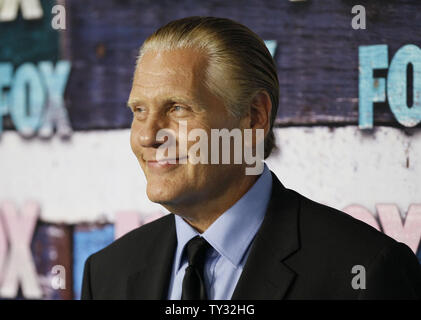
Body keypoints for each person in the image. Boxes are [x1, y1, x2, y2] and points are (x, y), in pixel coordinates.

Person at [81, 16, 421, 300]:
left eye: (177, 108)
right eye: (139, 111)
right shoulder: (107, 273)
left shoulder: (365, 269)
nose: (147, 135)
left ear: (254, 116)